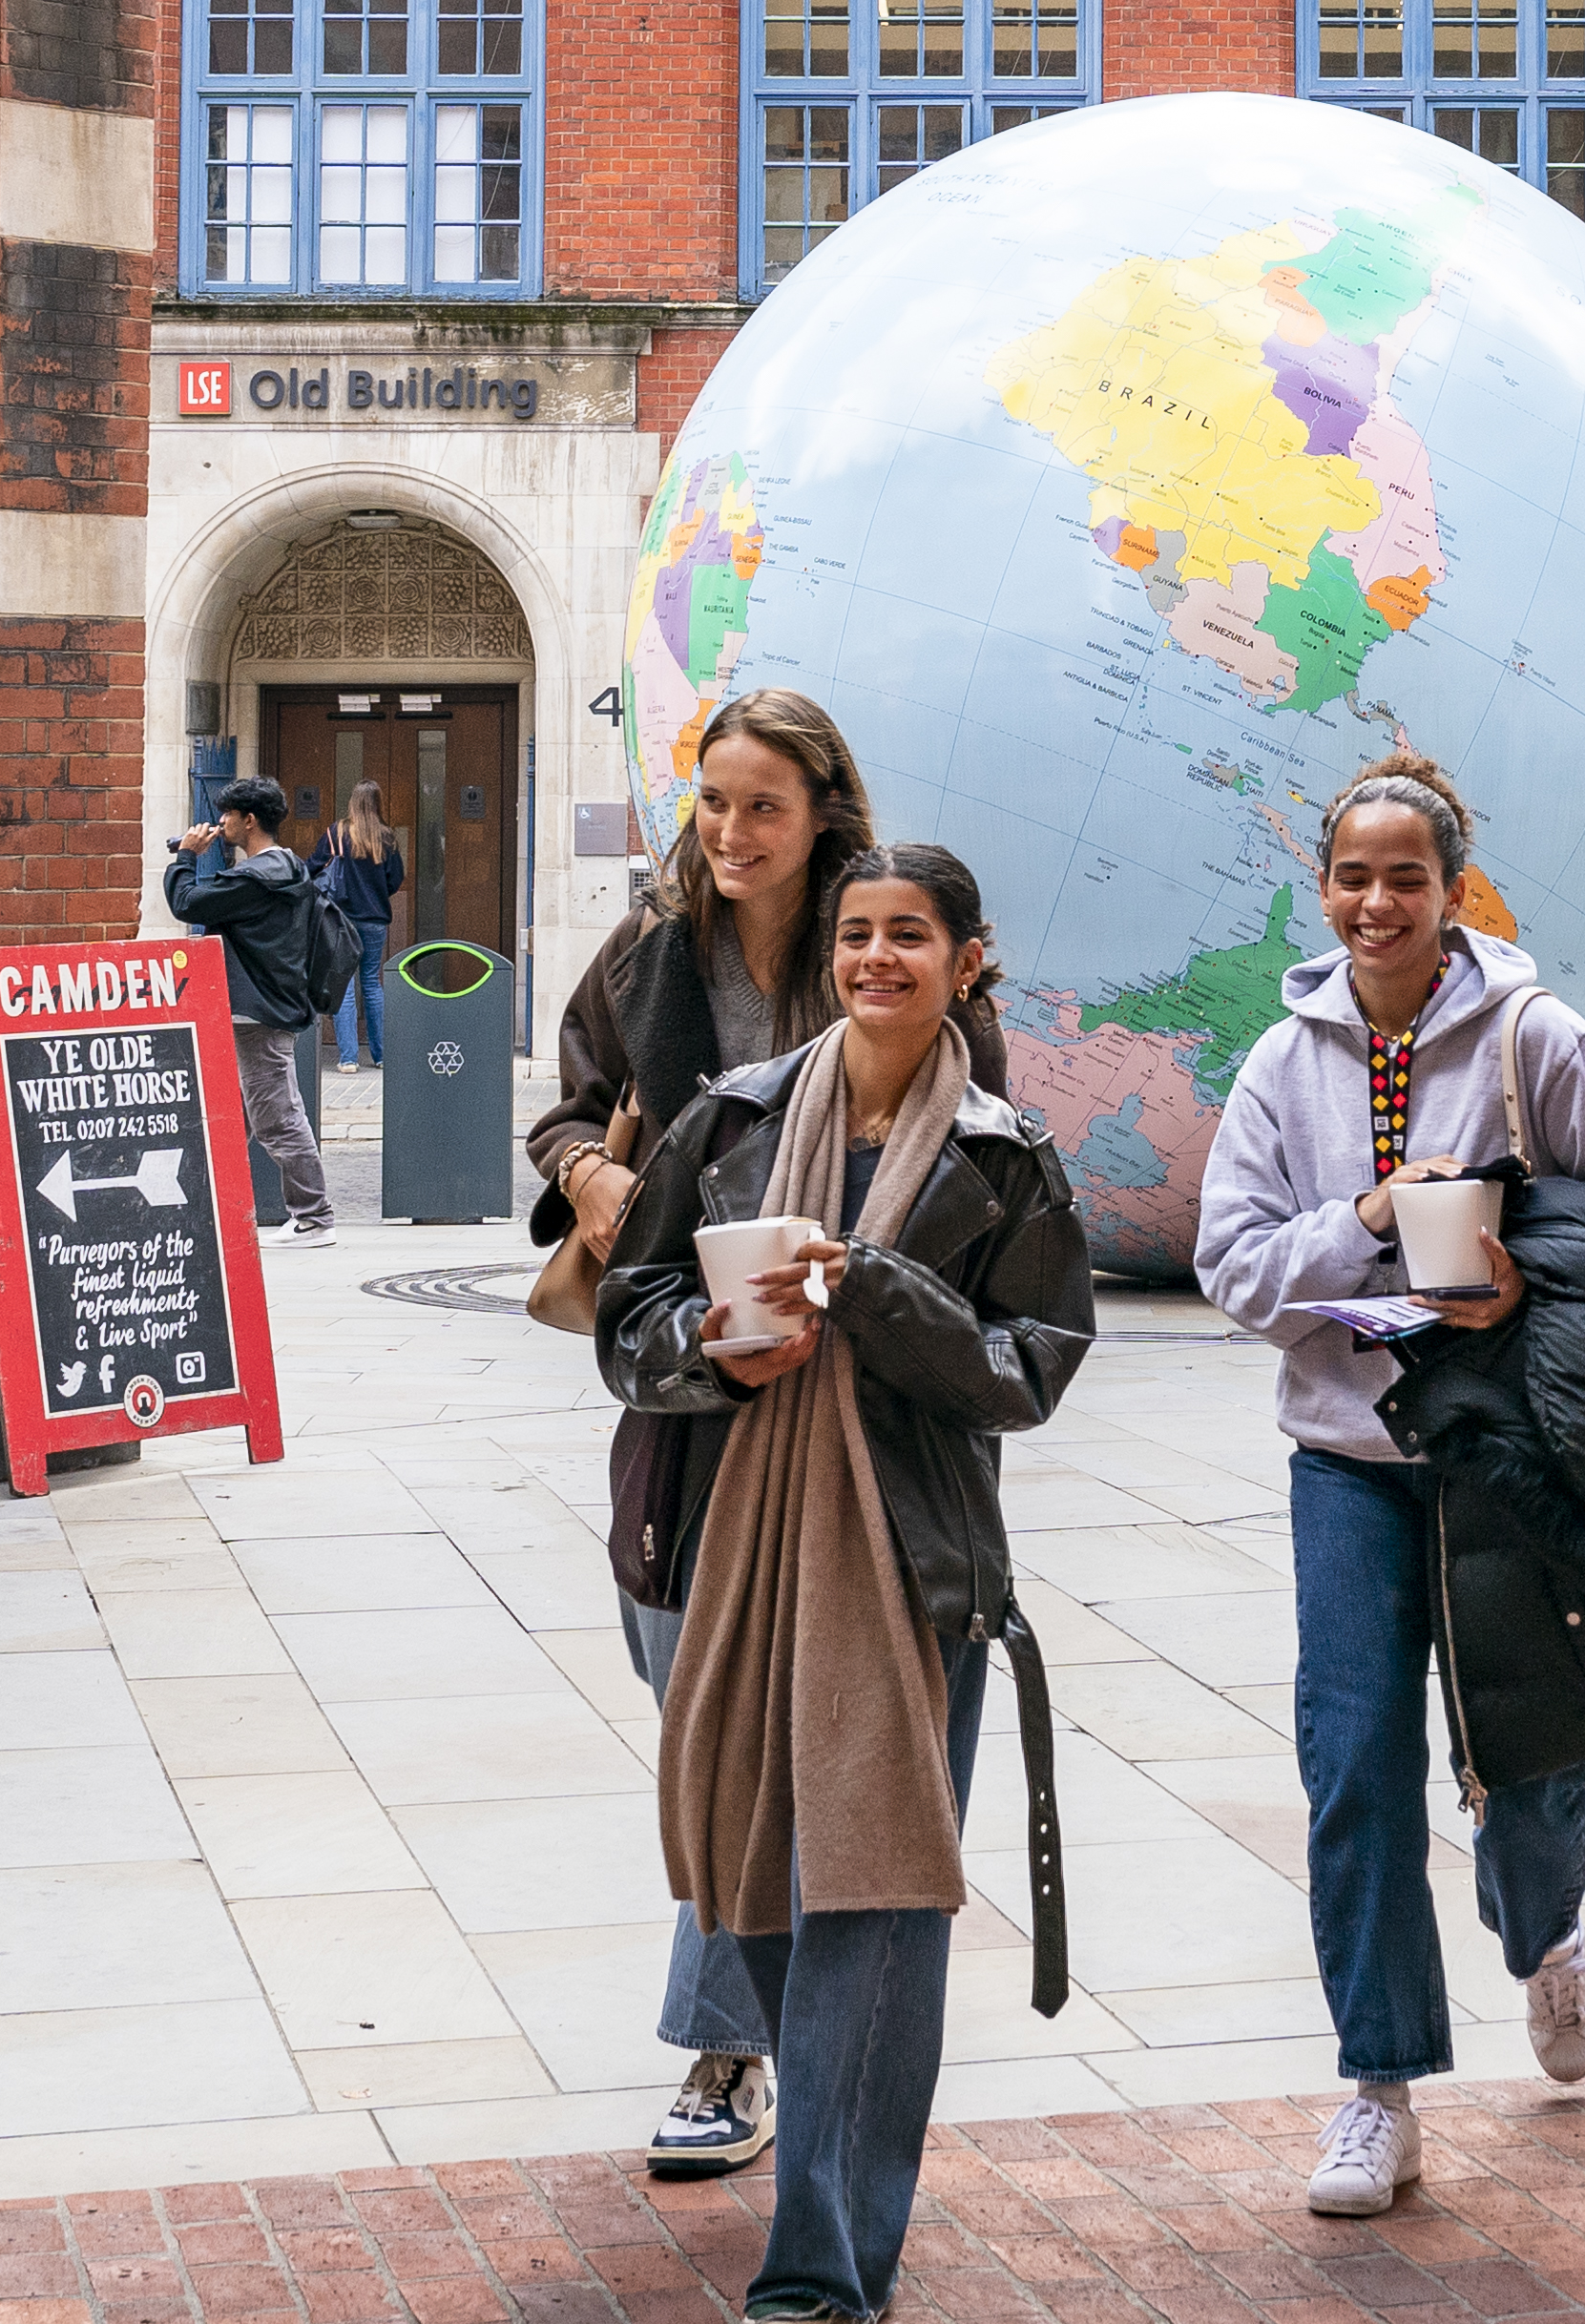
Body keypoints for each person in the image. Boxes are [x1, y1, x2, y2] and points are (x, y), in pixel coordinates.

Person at [600, 841, 1093, 2324]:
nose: (880, 960)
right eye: (860, 935)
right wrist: (710, 1345)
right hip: (744, 1556)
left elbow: (1029, 1370)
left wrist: (886, 1299)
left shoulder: (1002, 1159)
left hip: (910, 1578)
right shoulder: (733, 1120)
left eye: (912, 939)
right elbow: (627, 1317)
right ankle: (806, 2151)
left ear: (965, 959)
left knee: (870, 1914)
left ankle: (820, 2267)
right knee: (756, 1902)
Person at [1193, 754, 1585, 2219]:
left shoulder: (1537, 1037)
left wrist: (1524, 1273)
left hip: (1511, 1459)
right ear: (1324, 887)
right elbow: (1233, 1267)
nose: (1376, 902)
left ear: (1452, 889)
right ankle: (1379, 2085)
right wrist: (1355, 1226)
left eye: (1405, 877)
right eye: (1352, 875)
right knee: (1352, 1770)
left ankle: (1547, 1932)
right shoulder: (1285, 1064)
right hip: (1348, 1464)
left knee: (1534, 1766)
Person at [535, 689, 1008, 2182]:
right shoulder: (646, 959)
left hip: (866, 1404)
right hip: (699, 1391)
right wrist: (594, 1186)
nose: (730, 834)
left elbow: (979, 1158)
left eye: (762, 807)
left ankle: (750, 2046)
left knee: (836, 1738)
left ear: (824, 817)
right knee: (712, 1720)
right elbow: (567, 1115)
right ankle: (756, 2035)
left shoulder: (882, 944)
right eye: (713, 802)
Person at [164, 778, 338, 1240]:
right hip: (266, 1004)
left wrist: (186, 857)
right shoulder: (286, 869)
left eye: (228, 816)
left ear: (249, 820)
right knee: (234, 1114)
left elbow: (187, 903)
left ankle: (315, 1217)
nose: (220, 823)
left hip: (257, 1011)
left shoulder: (257, 878)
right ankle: (202, 1207)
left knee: (277, 1118)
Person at [320, 783, 405, 1073]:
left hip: (341, 919)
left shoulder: (337, 833)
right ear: (377, 803)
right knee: (371, 982)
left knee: (343, 985)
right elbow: (395, 879)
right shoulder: (387, 837)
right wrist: (377, 895)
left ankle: (348, 1059)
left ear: (352, 802)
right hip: (375, 920)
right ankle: (381, 1055)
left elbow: (314, 866)